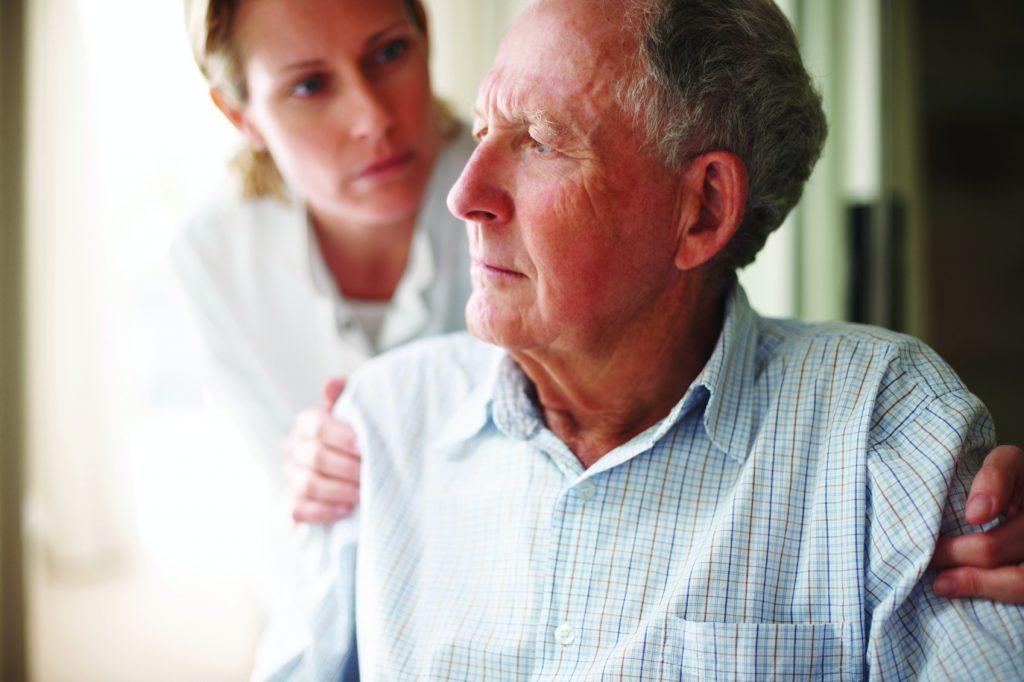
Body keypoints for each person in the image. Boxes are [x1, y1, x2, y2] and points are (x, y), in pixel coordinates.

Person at [255, 0, 1024, 678]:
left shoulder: (884, 431)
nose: (464, 195)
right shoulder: (377, 428)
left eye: (540, 142)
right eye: (484, 131)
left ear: (703, 211)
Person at [172, 0, 473, 523]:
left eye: (390, 52)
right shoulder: (212, 259)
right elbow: (281, 506)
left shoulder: (527, 198)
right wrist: (303, 481)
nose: (373, 118)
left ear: (424, 33)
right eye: (309, 86)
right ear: (240, 115)